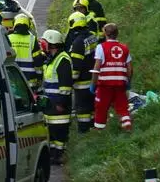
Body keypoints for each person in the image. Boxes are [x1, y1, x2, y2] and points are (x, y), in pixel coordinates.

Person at [41, 29, 73, 165]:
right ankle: (53, 156)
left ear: (52, 44)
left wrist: (61, 103)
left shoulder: (63, 60)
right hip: (50, 103)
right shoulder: (51, 59)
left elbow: (65, 85)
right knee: (52, 133)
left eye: (45, 42)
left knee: (59, 133)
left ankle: (59, 155)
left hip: (59, 105)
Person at [93, 23, 133, 131]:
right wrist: (128, 81)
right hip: (120, 83)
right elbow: (129, 68)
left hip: (105, 84)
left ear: (105, 33)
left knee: (101, 106)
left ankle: (99, 129)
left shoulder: (101, 47)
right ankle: (126, 124)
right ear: (117, 33)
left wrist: (93, 84)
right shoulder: (124, 48)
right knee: (122, 105)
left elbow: (97, 67)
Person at [66, 11, 100, 134]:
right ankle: (93, 127)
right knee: (92, 106)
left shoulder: (78, 43)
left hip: (82, 83)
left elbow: (76, 67)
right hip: (94, 79)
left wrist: (70, 80)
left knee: (82, 110)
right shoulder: (92, 36)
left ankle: (84, 131)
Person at [8, 13, 44, 94]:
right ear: (28, 25)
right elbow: (38, 61)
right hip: (30, 80)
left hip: (13, 78)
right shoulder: (32, 39)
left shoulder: (9, 38)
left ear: (15, 24)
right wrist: (39, 77)